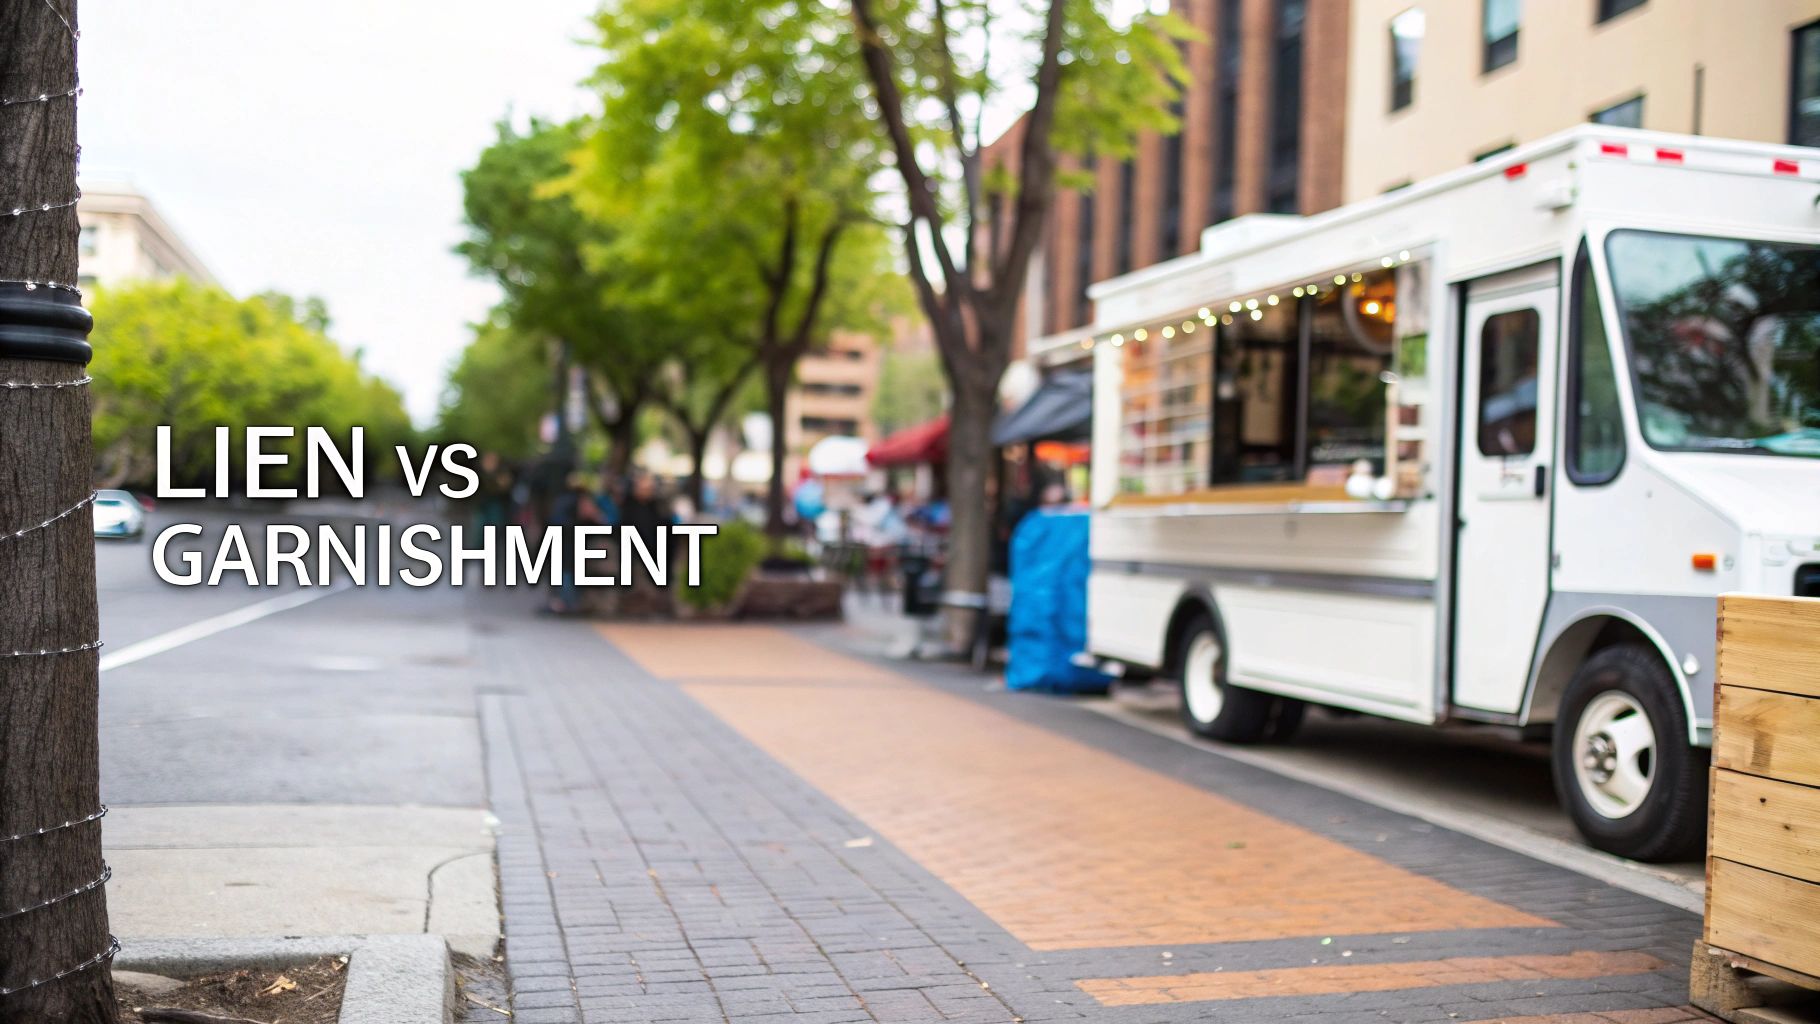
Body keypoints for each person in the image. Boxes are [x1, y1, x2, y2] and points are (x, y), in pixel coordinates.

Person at [544, 472, 603, 616]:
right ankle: (567, 603)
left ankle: (563, 602)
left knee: (564, 571)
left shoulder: (561, 499)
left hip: (563, 539)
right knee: (568, 572)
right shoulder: (580, 500)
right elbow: (596, 519)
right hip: (570, 539)